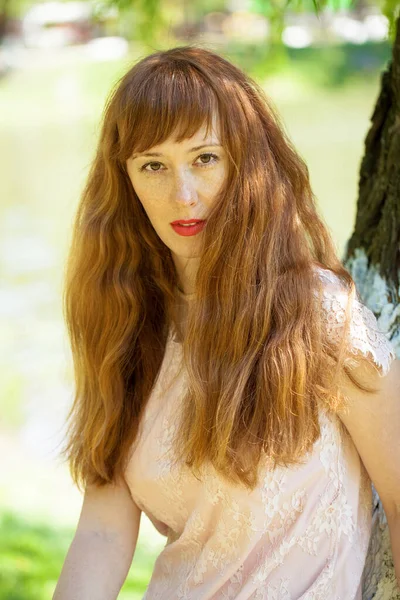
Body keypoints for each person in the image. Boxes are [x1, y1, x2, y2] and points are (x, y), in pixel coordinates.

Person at [53, 46, 400, 600]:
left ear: (247, 162)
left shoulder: (320, 317)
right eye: (153, 166)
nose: (182, 194)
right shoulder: (125, 325)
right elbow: (100, 530)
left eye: (205, 158)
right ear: (126, 181)